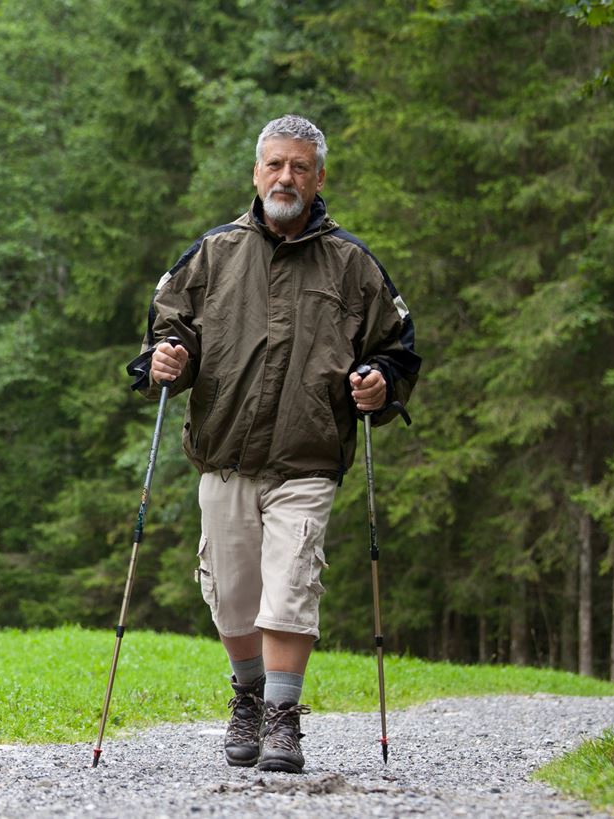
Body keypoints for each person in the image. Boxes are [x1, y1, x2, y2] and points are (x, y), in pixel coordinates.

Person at [126, 115, 419, 774]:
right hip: (224, 455)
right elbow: (169, 333)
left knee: (289, 586)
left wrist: (379, 384)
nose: (286, 177)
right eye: (274, 165)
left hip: (307, 458)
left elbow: (395, 350)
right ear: (256, 173)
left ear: (318, 177)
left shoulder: (353, 263)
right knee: (231, 593)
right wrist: (164, 361)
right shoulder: (212, 253)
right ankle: (248, 696)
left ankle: (283, 720)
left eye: (299, 166)